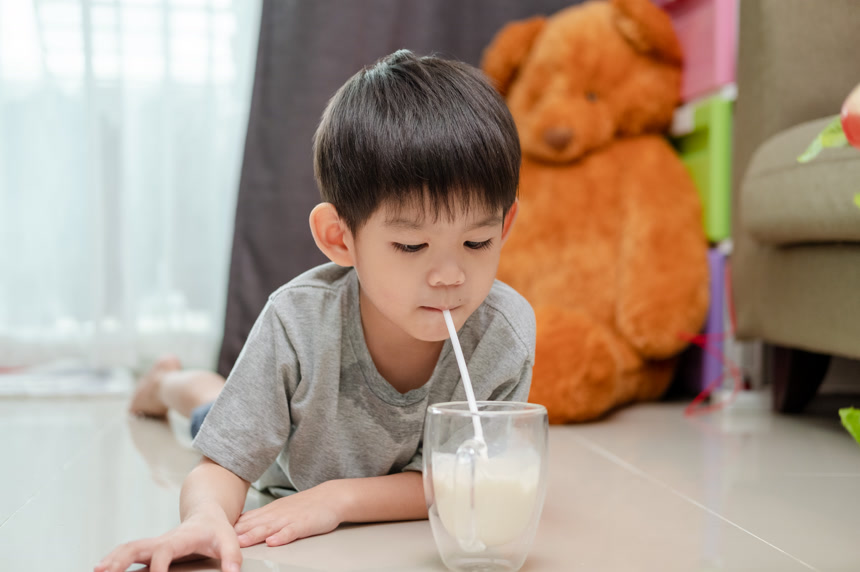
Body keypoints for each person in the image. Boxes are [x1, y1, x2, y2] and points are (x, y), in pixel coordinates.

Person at [96, 49, 535, 572]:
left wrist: (336, 500)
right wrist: (205, 517)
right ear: (339, 238)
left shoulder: (502, 334)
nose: (449, 276)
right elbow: (225, 466)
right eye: (412, 247)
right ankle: (166, 383)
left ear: (505, 227)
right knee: (210, 411)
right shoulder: (297, 322)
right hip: (282, 453)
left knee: (222, 403)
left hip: (324, 476)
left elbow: (459, 481)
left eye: (478, 242)